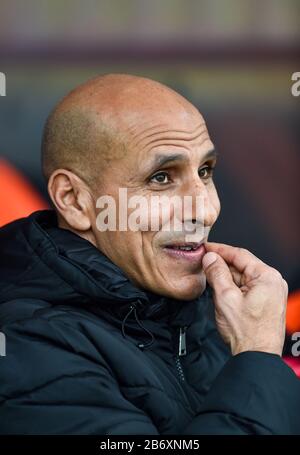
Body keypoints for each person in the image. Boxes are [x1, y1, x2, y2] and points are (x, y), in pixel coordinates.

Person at [0, 74, 299, 435]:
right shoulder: (28, 348)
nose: (205, 210)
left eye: (205, 171)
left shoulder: (202, 315)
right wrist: (258, 359)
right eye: (161, 178)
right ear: (74, 200)